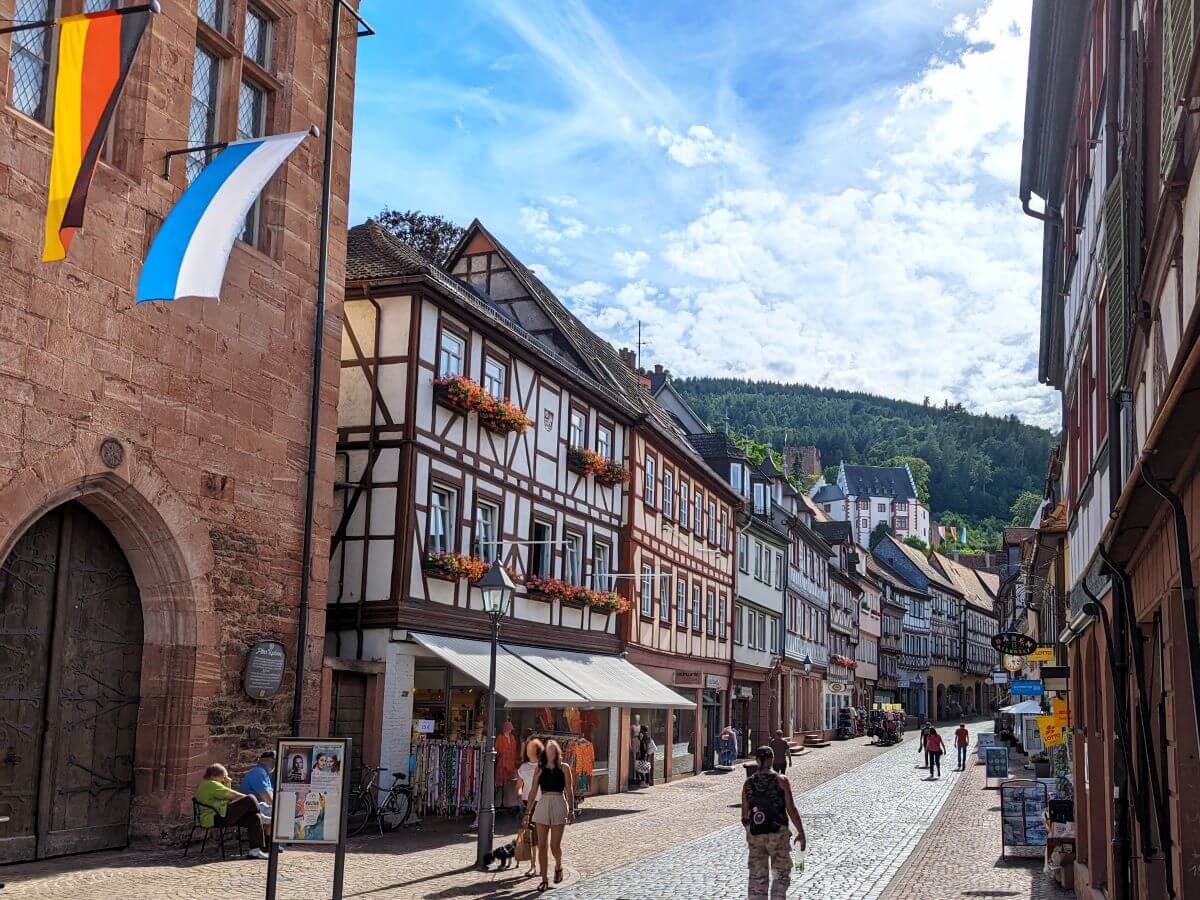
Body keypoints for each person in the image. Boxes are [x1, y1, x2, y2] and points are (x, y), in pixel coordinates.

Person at [742, 745, 806, 900]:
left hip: (756, 835)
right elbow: (791, 809)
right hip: (778, 834)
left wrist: (752, 832)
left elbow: (744, 815)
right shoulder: (782, 780)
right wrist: (801, 832)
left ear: (757, 760)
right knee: (781, 875)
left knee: (757, 878)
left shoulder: (748, 783)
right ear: (771, 760)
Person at [524, 739, 576, 892]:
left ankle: (558, 865)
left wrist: (572, 810)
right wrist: (527, 812)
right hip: (543, 803)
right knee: (541, 845)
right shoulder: (539, 769)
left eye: (553, 749)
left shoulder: (564, 768)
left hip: (559, 802)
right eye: (548, 749)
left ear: (557, 751)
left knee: (554, 846)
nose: (550, 752)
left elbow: (569, 789)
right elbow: (533, 791)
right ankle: (544, 879)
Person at [194, 763, 270, 859]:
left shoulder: (207, 783)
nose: (224, 779)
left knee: (254, 818)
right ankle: (262, 816)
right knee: (250, 798)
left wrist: (227, 783)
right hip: (215, 817)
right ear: (213, 776)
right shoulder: (212, 784)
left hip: (219, 815)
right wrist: (249, 800)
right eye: (222, 777)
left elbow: (227, 797)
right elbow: (232, 795)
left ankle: (255, 851)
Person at [516, 738, 544, 878]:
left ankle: (541, 865)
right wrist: (520, 795)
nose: (528, 751)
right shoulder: (523, 768)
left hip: (542, 803)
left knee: (541, 836)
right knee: (531, 835)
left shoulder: (543, 767)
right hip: (528, 804)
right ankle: (533, 866)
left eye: (531, 748)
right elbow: (519, 787)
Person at [238, 750, 276, 817]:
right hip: (251, 810)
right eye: (275, 761)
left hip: (255, 808)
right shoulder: (259, 772)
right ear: (269, 760)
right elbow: (268, 799)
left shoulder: (262, 772)